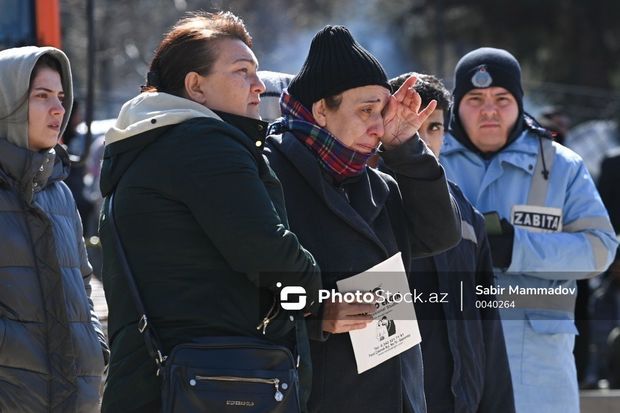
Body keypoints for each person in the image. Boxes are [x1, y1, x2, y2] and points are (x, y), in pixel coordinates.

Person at [98, 12, 322, 412]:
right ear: (195, 86)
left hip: (163, 383)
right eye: (242, 72)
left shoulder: (149, 147)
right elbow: (270, 255)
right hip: (217, 385)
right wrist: (313, 296)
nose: (258, 85)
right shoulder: (204, 145)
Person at [265, 25, 461, 413]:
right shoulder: (268, 176)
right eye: (365, 110)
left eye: (382, 110)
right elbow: (235, 289)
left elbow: (440, 236)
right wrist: (318, 313)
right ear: (322, 110)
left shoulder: (378, 183)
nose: (378, 125)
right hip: (310, 397)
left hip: (396, 396)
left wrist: (406, 148)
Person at [439, 47, 618, 413]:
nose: (489, 109)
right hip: (447, 361)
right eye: (475, 99)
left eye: (501, 98)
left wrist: (518, 247)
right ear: (456, 105)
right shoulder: (428, 162)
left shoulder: (562, 166)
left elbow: (600, 248)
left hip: (537, 374)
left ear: (519, 103)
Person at [389, 72, 515, 413]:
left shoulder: (467, 217)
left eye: (435, 128)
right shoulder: (372, 203)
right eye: (413, 125)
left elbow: (488, 330)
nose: (425, 140)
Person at [0, 46, 108, 412]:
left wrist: (94, 346)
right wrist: (16, 350)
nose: (59, 109)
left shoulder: (59, 190)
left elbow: (82, 278)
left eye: (61, 97)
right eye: (41, 96)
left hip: (77, 397)